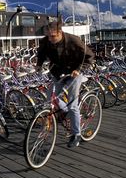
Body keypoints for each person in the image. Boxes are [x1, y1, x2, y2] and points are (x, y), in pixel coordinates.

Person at [35, 19, 95, 148]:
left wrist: (79, 70)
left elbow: (89, 56)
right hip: (58, 73)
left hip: (74, 72)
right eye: (48, 36)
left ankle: (76, 134)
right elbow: (41, 54)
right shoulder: (46, 41)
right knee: (51, 98)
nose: (50, 39)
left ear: (60, 32)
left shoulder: (74, 40)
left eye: (53, 36)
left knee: (72, 104)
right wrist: (39, 65)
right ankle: (64, 112)